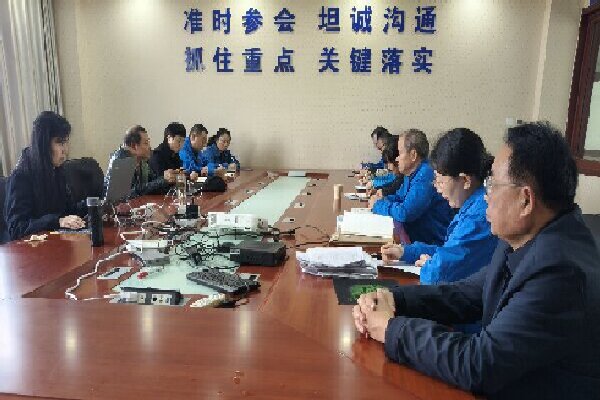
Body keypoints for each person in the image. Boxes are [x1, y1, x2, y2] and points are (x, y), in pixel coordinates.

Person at [353, 122, 600, 399]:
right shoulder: (525, 237)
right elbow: (468, 293)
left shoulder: (560, 272)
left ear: (526, 200)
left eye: (492, 184)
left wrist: (390, 329)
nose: (486, 195)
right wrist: (394, 299)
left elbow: (479, 364)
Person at [381, 128, 498, 284]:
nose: (437, 188)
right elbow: (449, 249)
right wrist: (406, 251)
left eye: (441, 181)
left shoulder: (479, 215)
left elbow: (437, 275)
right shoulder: (471, 203)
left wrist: (429, 266)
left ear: (465, 180)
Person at [4, 111, 86, 240]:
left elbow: (68, 210)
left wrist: (95, 206)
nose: (65, 150)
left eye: (66, 142)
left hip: (55, 243)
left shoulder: (57, 169)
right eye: (59, 142)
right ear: (43, 145)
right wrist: (57, 221)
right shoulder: (21, 176)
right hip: (30, 249)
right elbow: (17, 227)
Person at [369, 129, 453, 245]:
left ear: (413, 155)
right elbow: (400, 197)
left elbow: (405, 213)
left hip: (431, 244)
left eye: (400, 153)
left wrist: (378, 205)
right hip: (414, 238)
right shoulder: (411, 173)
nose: (397, 159)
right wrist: (383, 199)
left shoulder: (425, 174)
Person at [104, 125, 174, 198]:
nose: (150, 147)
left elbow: (152, 183)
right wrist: (162, 180)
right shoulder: (121, 161)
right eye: (146, 143)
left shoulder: (141, 161)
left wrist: (167, 178)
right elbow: (127, 195)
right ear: (134, 146)